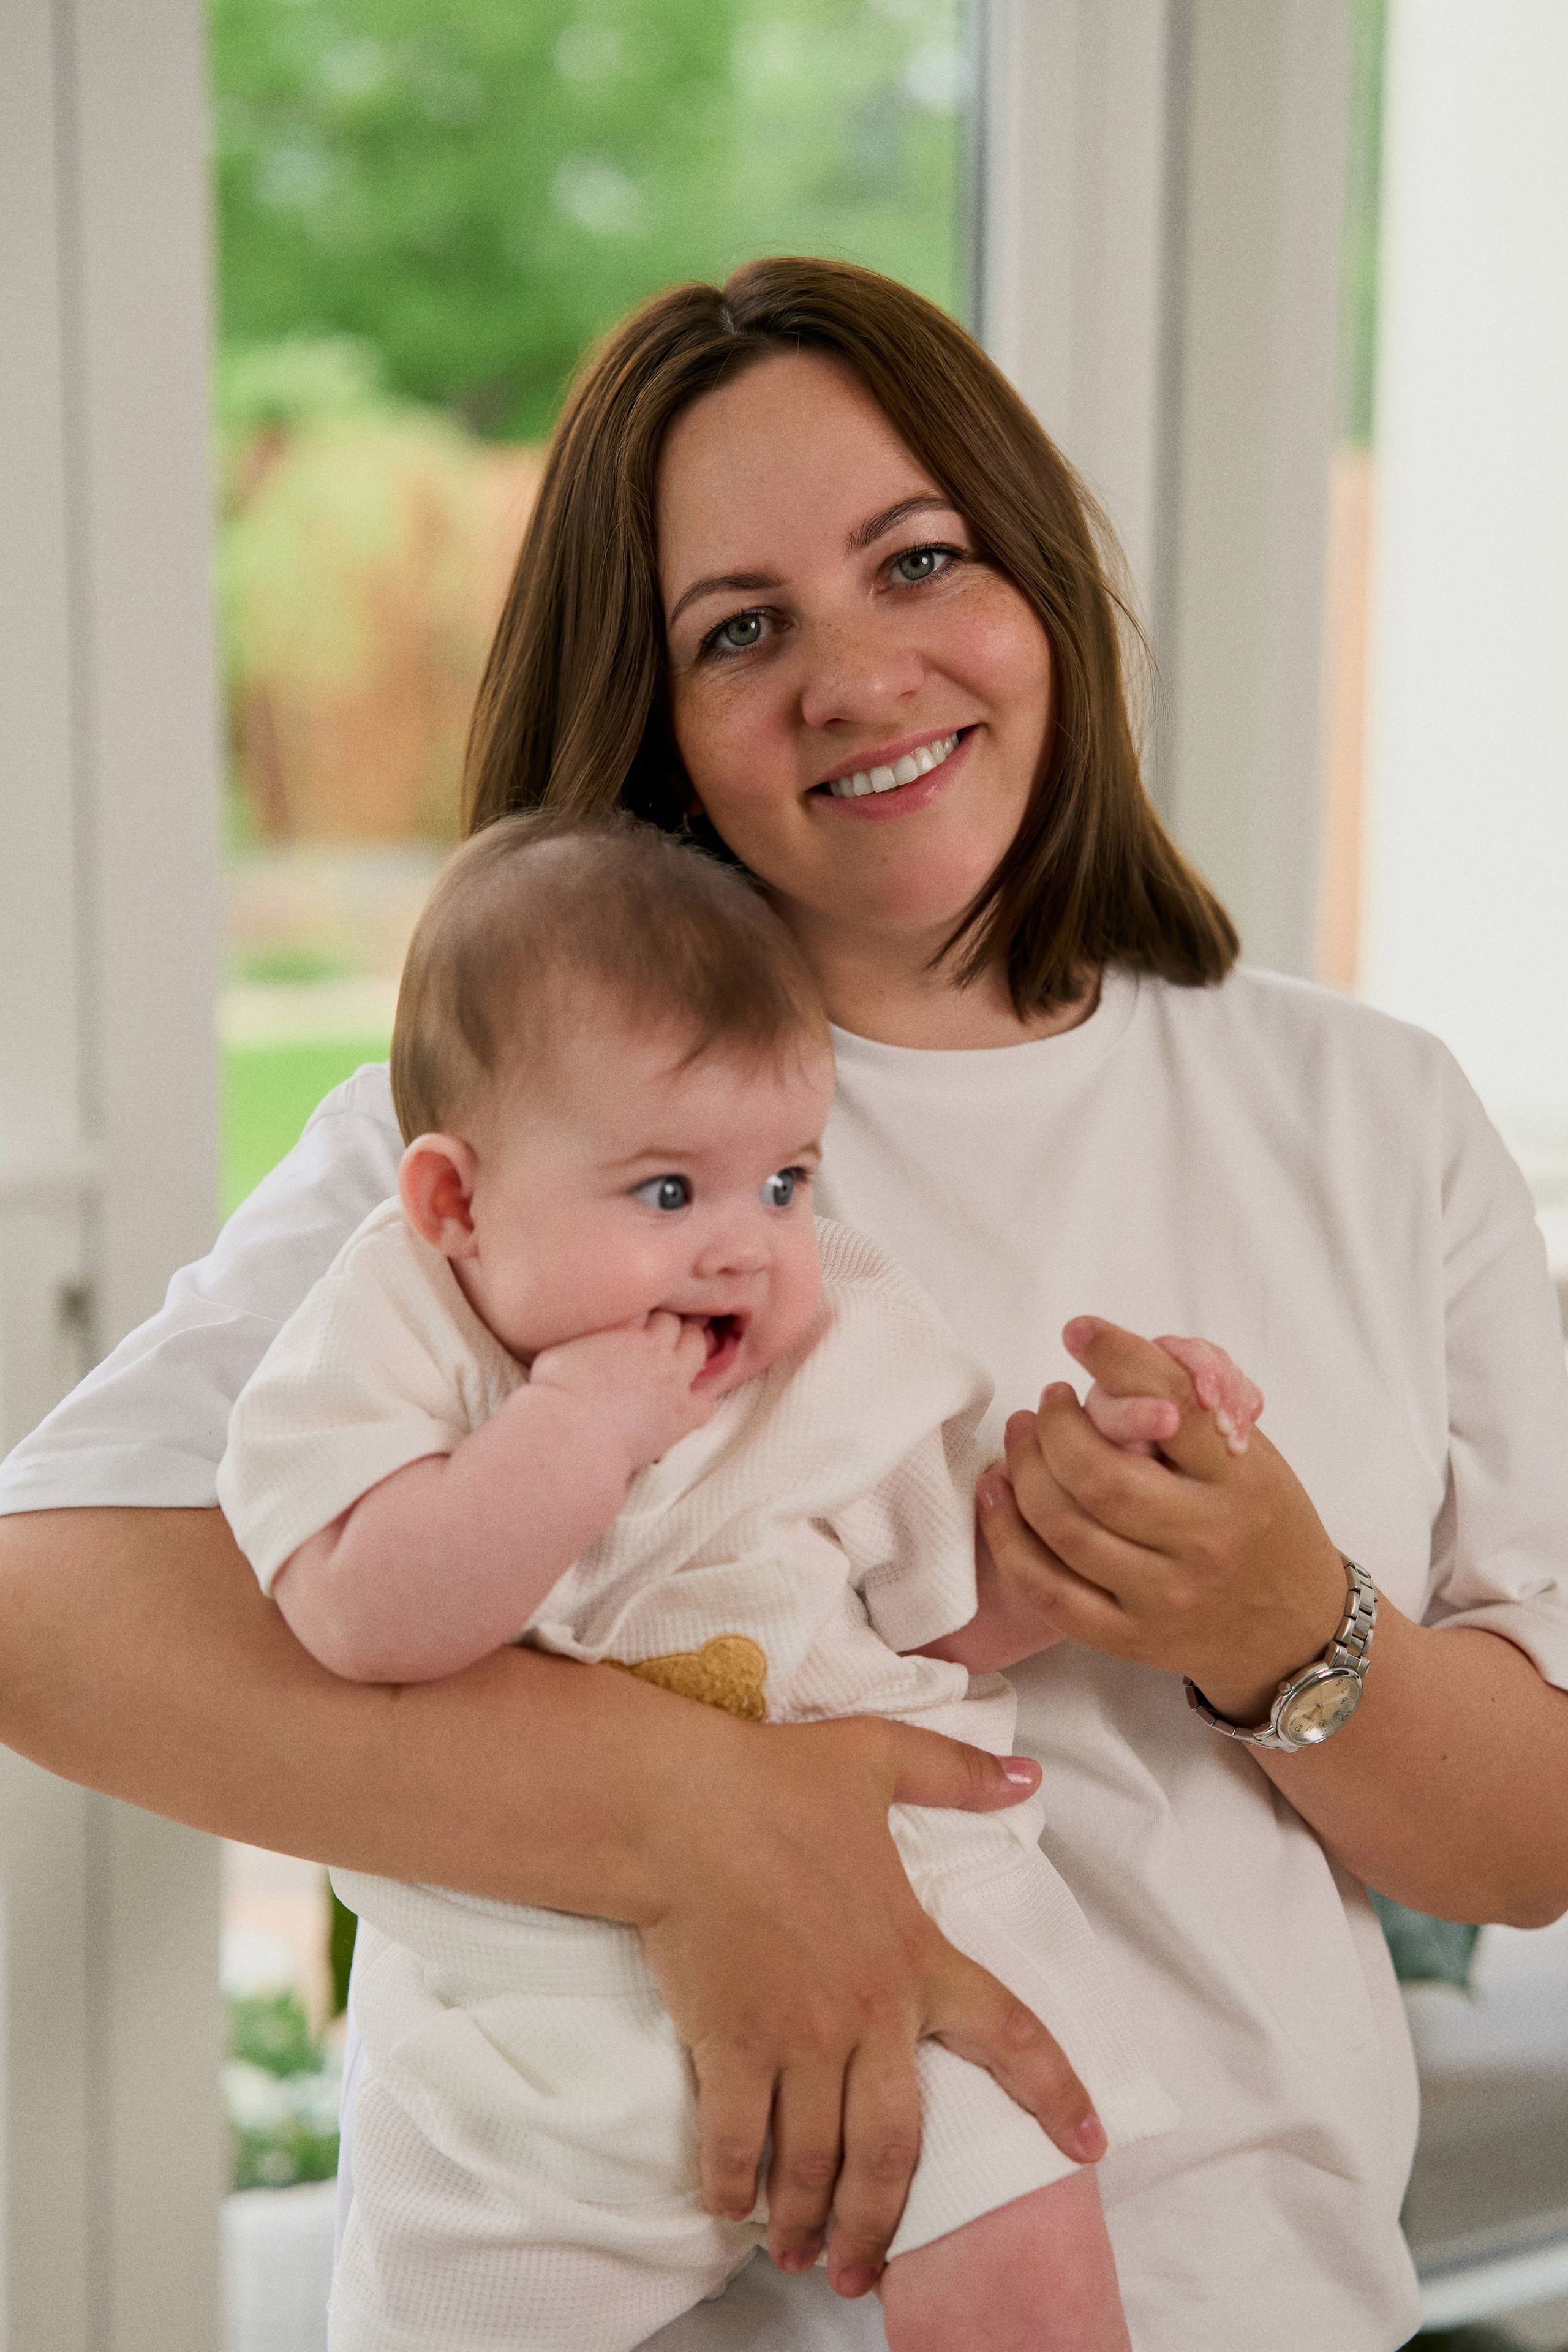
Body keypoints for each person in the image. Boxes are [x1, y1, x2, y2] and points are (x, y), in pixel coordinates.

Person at [1, 256, 1566, 2352]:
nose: (858, 676)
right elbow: (54, 1613)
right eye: (742, 632)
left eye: (918, 560)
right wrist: (704, 1823)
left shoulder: (1371, 1116)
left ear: (1041, 588)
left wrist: (1275, 1619)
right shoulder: (518, 1153)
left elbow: (1531, 1843)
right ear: (653, 721)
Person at [219, 815, 1262, 2350]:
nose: (747, 1250)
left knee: (1027, 2231)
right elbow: (362, 1618)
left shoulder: (833, 1332)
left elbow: (946, 1604)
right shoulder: (387, 1332)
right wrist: (577, 1428)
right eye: (664, 1194)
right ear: (454, 1206)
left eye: (782, 1179)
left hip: (894, 1923)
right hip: (533, 2027)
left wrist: (1098, 1496)